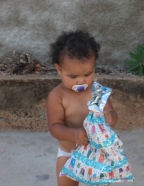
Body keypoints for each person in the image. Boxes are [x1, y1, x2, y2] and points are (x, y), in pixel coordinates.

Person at [47, 30, 118, 186]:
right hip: (69, 154)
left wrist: (110, 118)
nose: (81, 81)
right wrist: (74, 134)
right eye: (73, 77)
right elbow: (54, 127)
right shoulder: (57, 96)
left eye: (88, 74)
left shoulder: (97, 91)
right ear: (59, 70)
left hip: (97, 154)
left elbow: (112, 114)